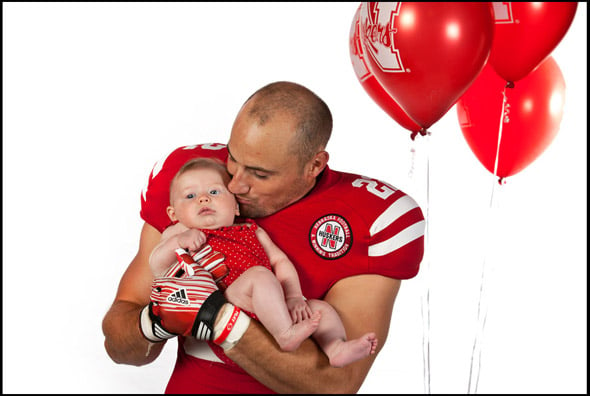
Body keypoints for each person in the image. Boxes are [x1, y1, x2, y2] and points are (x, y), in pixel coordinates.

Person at [102, 81, 425, 393]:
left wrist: (220, 317)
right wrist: (156, 321)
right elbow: (120, 345)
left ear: (314, 165)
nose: (235, 185)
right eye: (233, 160)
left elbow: (336, 384)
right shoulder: (194, 182)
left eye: (259, 174)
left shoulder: (372, 218)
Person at [148, 157, 378, 366]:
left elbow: (280, 261)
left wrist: (294, 297)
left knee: (319, 309)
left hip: (270, 301)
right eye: (190, 196)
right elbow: (157, 265)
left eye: (215, 192)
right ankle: (285, 335)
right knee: (259, 276)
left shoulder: (250, 229)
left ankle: (335, 347)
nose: (203, 198)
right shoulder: (179, 232)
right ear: (173, 213)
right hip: (228, 299)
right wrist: (180, 241)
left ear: (236, 206)